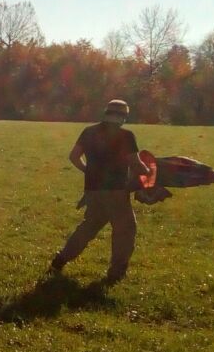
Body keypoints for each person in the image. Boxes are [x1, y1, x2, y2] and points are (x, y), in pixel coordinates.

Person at [49, 99, 149, 284]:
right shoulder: (126, 136)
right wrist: (149, 171)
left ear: (106, 113)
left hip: (93, 190)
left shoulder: (89, 132)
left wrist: (88, 171)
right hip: (116, 191)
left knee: (89, 227)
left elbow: (73, 157)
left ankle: (61, 258)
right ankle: (116, 273)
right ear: (123, 116)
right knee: (125, 230)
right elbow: (135, 163)